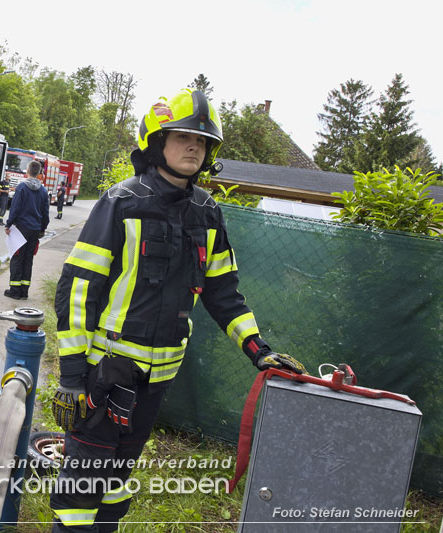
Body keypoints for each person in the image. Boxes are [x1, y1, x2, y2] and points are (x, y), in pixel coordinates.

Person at [49, 88, 307, 532]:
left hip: (155, 382)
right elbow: (77, 290)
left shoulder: (208, 214)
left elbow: (224, 293)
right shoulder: (121, 202)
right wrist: (73, 378)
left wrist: (257, 349)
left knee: (116, 483)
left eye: (203, 141)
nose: (194, 146)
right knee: (79, 492)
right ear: (156, 142)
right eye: (184, 136)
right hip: (104, 374)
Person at [4, 160, 49, 300]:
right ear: (39, 173)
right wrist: (42, 228)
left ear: (27, 171)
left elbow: (15, 208)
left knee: (17, 258)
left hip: (21, 229)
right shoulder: (43, 190)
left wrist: (8, 224)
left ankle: (15, 291)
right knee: (28, 260)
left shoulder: (22, 187)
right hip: (35, 230)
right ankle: (24, 291)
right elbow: (45, 213)